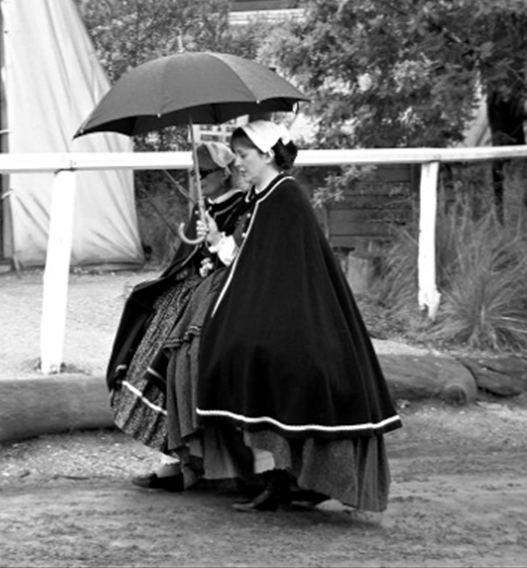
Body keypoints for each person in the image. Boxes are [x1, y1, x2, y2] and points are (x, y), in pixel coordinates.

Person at [195, 120, 402, 513]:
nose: (238, 163)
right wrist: (217, 240)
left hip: (301, 317)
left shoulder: (286, 196)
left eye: (244, 155)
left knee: (263, 358)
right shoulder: (259, 196)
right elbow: (246, 257)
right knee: (236, 351)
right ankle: (273, 477)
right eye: (236, 155)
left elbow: (287, 268)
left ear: (268, 154)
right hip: (271, 310)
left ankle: (284, 480)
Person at [107, 140, 249, 491]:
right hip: (194, 290)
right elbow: (184, 261)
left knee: (172, 348)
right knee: (148, 317)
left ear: (225, 173)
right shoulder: (204, 209)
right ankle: (173, 457)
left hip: (221, 296)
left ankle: (188, 462)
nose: (196, 181)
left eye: (203, 174)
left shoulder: (243, 207)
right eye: (193, 173)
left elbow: (240, 260)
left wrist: (215, 244)